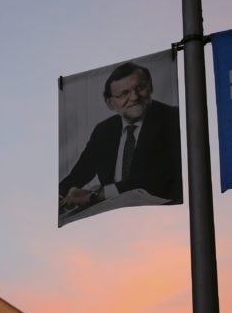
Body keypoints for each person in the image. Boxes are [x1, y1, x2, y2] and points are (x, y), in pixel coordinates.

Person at [59, 62, 182, 212]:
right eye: (124, 94)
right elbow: (79, 173)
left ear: (151, 87)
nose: (135, 97)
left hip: (161, 217)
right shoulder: (103, 130)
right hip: (114, 221)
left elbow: (163, 177)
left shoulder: (173, 118)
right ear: (110, 104)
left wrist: (98, 194)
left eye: (140, 87)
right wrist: (58, 197)